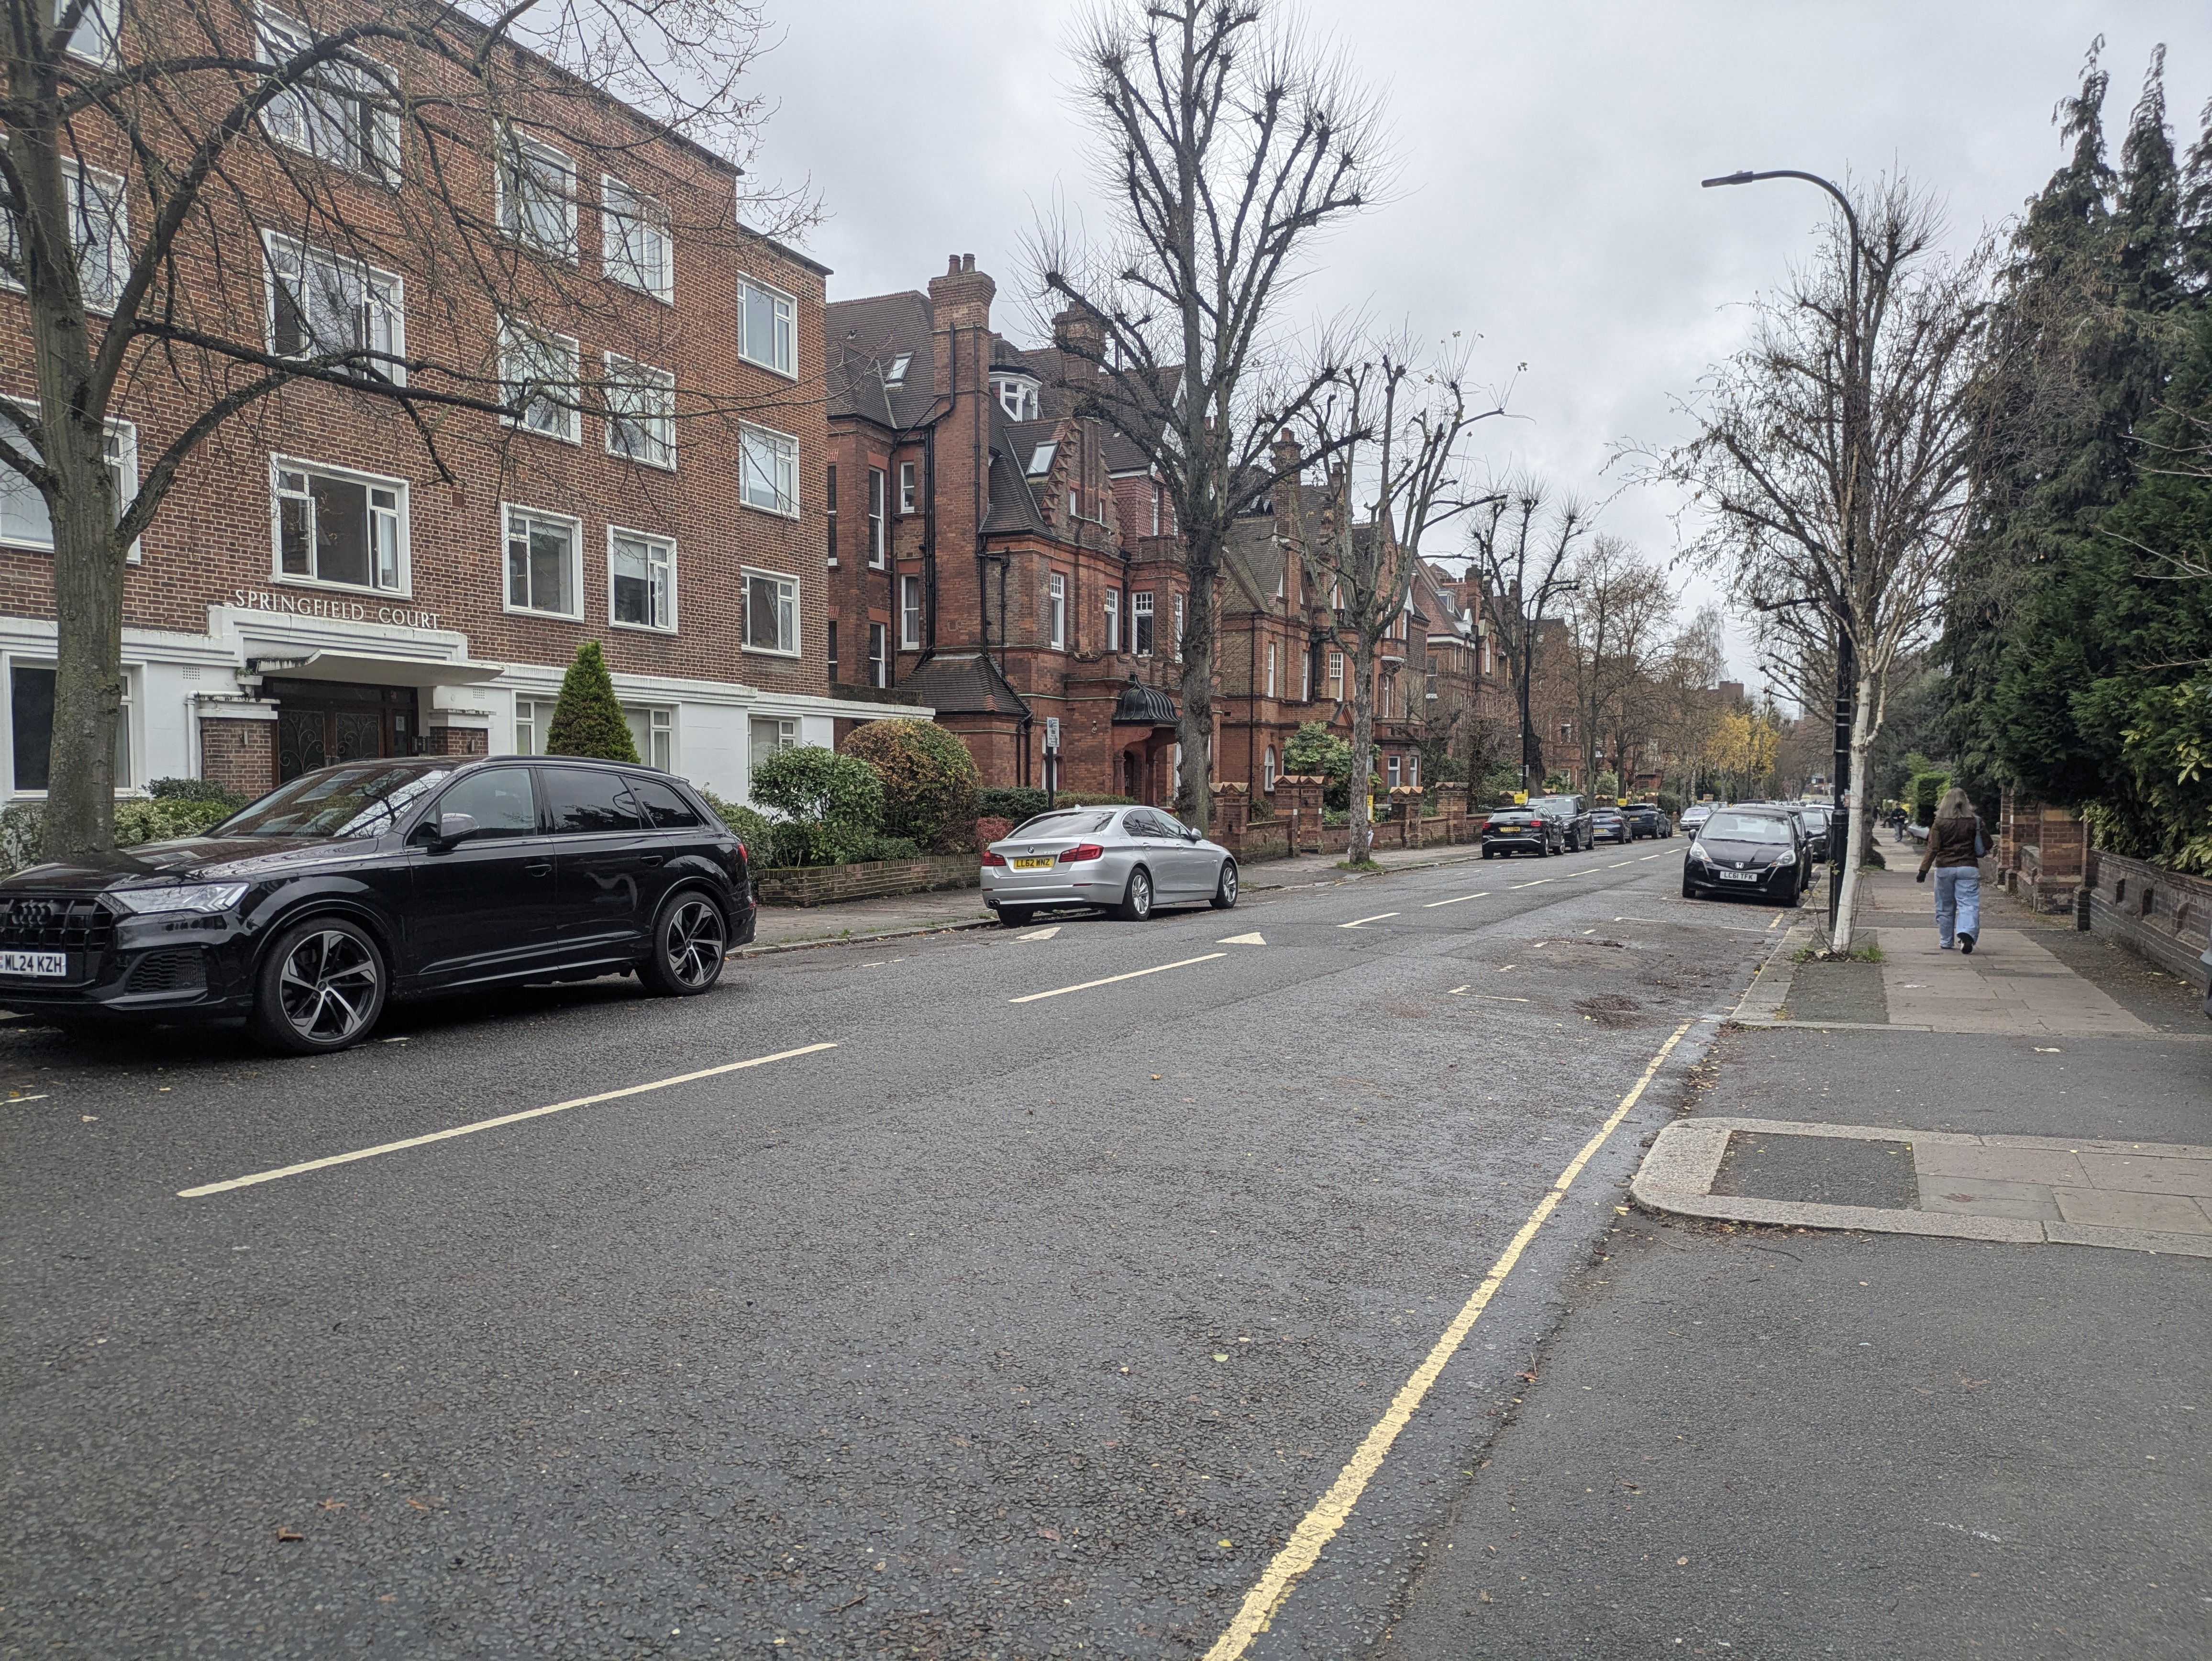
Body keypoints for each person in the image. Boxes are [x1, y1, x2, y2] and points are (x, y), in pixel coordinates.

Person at [1916, 786, 1990, 953]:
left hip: (1945, 868)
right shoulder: (1975, 821)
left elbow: (1933, 849)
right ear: (1966, 802)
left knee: (1944, 906)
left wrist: (1923, 870)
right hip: (1968, 867)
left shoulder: (1940, 823)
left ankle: (1946, 941)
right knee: (1968, 904)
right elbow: (1988, 844)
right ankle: (1966, 934)